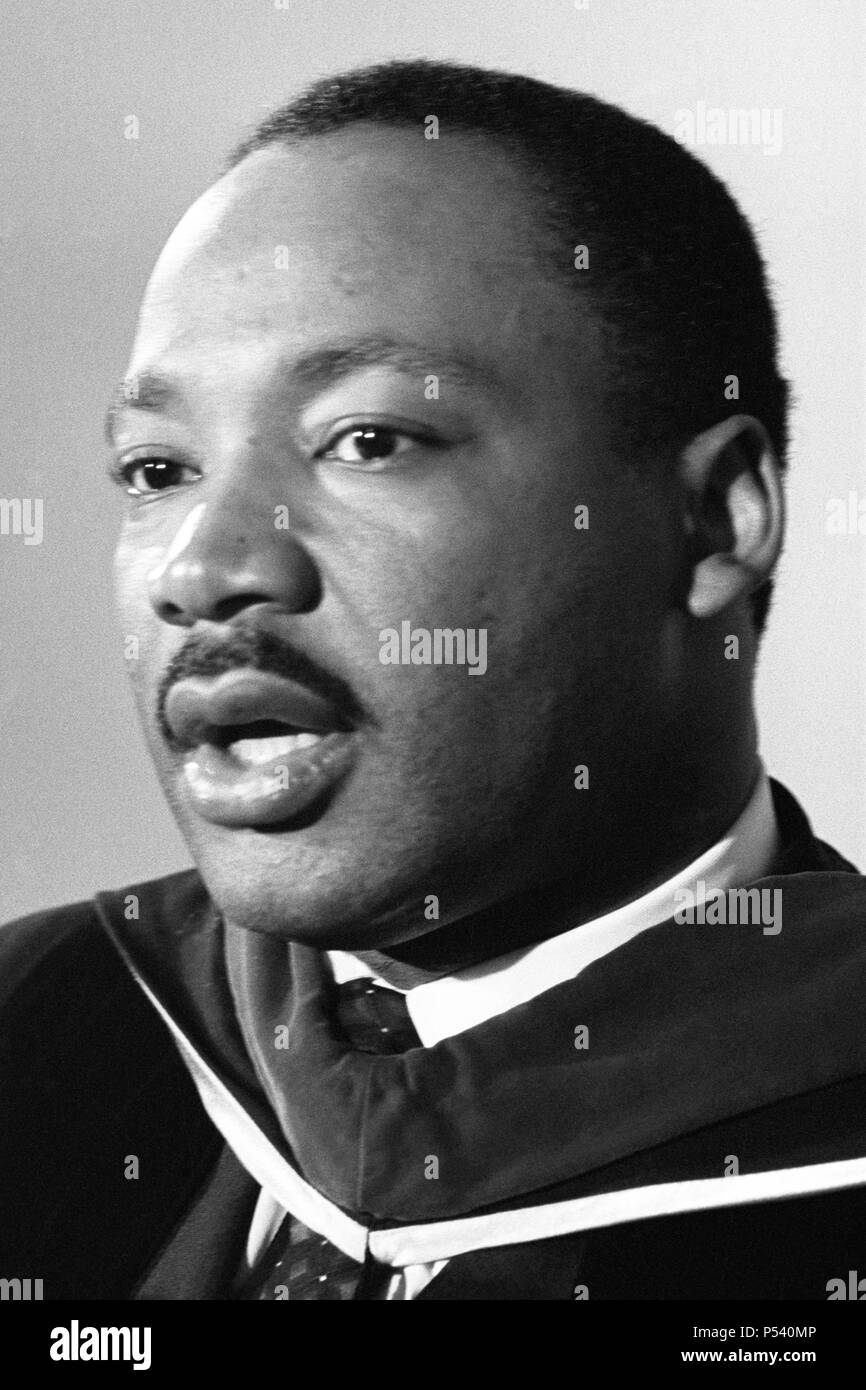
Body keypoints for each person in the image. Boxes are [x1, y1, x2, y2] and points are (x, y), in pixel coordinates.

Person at [2, 60, 864, 1302]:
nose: (202, 567)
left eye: (368, 440)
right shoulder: (40, 1030)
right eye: (154, 469)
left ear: (715, 523)